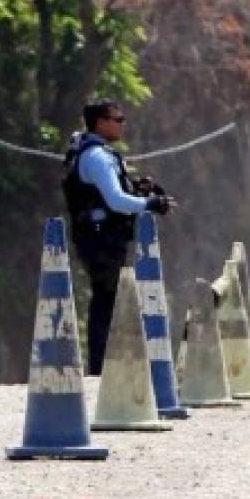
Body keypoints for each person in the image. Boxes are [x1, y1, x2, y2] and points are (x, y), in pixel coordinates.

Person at [63, 99, 174, 376]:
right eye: (118, 119)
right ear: (100, 122)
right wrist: (150, 204)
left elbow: (111, 194)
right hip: (101, 240)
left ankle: (104, 365)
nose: (123, 124)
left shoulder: (95, 153)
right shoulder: (97, 157)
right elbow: (115, 201)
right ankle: (102, 368)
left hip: (100, 237)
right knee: (107, 301)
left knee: (108, 300)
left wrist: (138, 189)